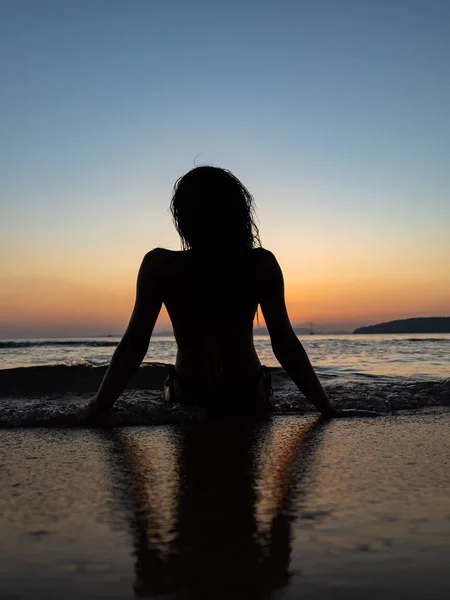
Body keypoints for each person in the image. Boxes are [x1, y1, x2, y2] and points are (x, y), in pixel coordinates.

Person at [86, 166, 373, 420]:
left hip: (189, 393)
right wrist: (327, 409)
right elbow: (285, 343)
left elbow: (134, 346)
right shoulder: (259, 263)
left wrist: (96, 409)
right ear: (238, 213)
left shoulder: (160, 265)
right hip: (247, 392)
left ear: (182, 218)